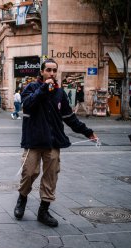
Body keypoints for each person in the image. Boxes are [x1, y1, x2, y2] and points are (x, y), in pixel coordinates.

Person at [14, 58, 97, 227]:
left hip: (53, 142)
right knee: (29, 173)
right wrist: (44, 88)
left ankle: (44, 210)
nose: (52, 73)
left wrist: (87, 132)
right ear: (42, 72)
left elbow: (69, 117)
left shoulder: (60, 93)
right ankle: (22, 199)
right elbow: (27, 105)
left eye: (54, 70)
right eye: (48, 70)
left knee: (51, 176)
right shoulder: (31, 88)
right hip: (34, 141)